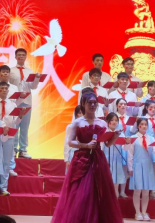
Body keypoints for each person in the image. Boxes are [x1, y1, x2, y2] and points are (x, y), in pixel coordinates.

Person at [52, 90, 123, 223]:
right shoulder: (77, 123)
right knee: (82, 193)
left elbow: (107, 144)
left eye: (94, 103)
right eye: (89, 103)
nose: (92, 105)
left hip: (98, 160)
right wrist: (85, 145)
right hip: (81, 160)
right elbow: (70, 142)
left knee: (99, 192)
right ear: (83, 104)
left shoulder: (102, 123)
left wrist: (115, 137)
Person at [127, 117, 155, 221]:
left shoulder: (151, 138)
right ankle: (137, 212)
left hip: (148, 166)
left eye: (145, 124)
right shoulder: (133, 138)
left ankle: (144, 212)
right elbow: (130, 154)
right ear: (138, 126)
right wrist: (130, 168)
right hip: (137, 166)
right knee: (137, 191)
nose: (144, 126)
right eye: (142, 124)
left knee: (146, 191)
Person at [9, 48, 41, 160]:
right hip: (14, 102)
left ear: (26, 57)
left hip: (26, 102)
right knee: (14, 126)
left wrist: (37, 79)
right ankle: (13, 149)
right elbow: (8, 86)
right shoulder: (11, 71)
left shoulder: (30, 71)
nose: (21, 57)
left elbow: (33, 87)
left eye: (23, 55)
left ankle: (23, 149)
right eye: (19, 55)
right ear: (15, 57)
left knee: (24, 127)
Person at [104, 112, 130, 198]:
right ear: (108, 121)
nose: (114, 122)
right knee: (106, 186)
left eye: (116, 120)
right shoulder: (104, 133)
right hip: (106, 161)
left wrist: (127, 143)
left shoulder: (120, 133)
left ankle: (115, 204)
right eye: (112, 120)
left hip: (117, 161)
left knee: (116, 186)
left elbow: (124, 149)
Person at [115, 98, 133, 198]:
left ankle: (122, 191)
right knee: (117, 168)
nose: (123, 106)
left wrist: (135, 124)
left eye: (125, 104)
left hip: (127, 144)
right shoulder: (114, 117)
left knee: (125, 168)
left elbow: (132, 131)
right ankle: (115, 190)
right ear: (117, 105)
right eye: (121, 104)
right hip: (117, 145)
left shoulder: (129, 118)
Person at [64, 106, 83, 174]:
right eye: (80, 113)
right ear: (76, 115)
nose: (81, 115)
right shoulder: (70, 127)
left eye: (83, 112)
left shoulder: (88, 127)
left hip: (84, 155)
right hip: (73, 154)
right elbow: (66, 143)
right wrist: (66, 160)